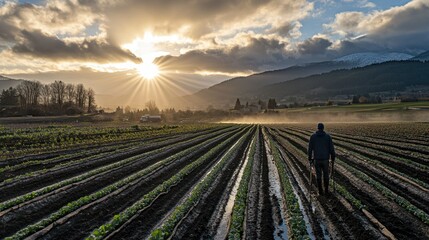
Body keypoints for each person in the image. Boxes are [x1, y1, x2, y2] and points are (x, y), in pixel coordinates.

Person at [308, 123, 335, 196]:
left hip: (317, 159)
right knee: (326, 175)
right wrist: (333, 158)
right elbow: (332, 149)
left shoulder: (313, 137)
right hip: (325, 159)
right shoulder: (328, 137)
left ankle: (320, 191)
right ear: (323, 128)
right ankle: (326, 190)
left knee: (318, 175)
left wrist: (310, 158)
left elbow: (310, 149)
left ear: (318, 128)